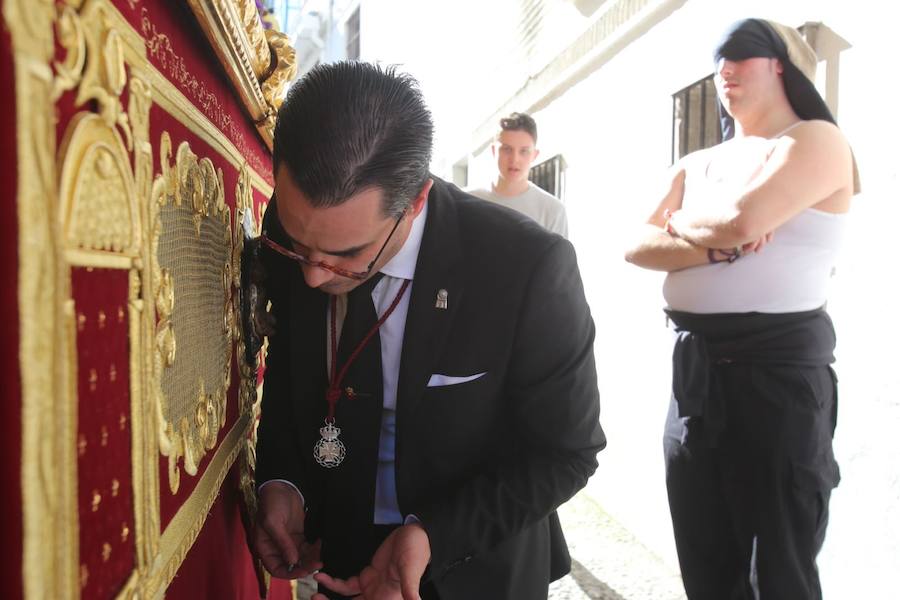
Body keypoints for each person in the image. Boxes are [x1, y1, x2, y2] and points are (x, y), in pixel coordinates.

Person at [249, 61, 605, 600]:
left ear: (415, 200)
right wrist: (283, 482)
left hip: (474, 561)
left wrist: (434, 535)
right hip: (338, 555)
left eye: (347, 255)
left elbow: (567, 451)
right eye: (297, 247)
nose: (313, 274)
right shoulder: (294, 222)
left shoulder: (528, 267)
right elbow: (288, 368)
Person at [624, 18, 858, 600]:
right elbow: (636, 244)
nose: (725, 69)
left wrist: (685, 225)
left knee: (779, 571)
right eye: (718, 58)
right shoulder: (697, 162)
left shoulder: (815, 140)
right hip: (695, 382)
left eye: (742, 55)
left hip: (776, 382)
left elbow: (744, 220)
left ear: (780, 63)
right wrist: (713, 239)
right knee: (707, 565)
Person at [468, 112, 569, 237]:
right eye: (507, 149)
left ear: (535, 155)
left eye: (524, 151)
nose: (514, 159)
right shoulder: (467, 201)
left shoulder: (553, 211)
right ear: (494, 151)